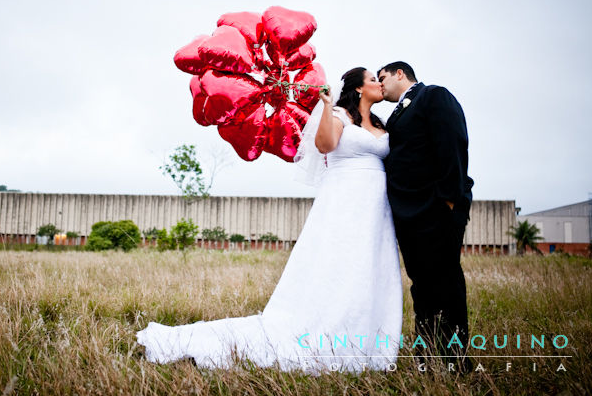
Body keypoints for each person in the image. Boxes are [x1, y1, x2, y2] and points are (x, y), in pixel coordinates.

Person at [136, 68, 402, 374]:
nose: (379, 84)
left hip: (376, 208)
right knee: (340, 264)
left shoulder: (383, 124)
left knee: (368, 267)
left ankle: (368, 337)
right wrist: (327, 106)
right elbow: (325, 146)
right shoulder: (341, 114)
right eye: (372, 80)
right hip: (345, 201)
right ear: (358, 89)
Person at [377, 61, 473, 371]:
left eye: (382, 78)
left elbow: (453, 143)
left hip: (437, 209)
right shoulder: (396, 115)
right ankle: (426, 356)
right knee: (422, 285)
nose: (380, 86)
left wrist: (447, 199)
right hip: (409, 215)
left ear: (400, 74)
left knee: (446, 282)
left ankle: (456, 360)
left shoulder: (433, 96)